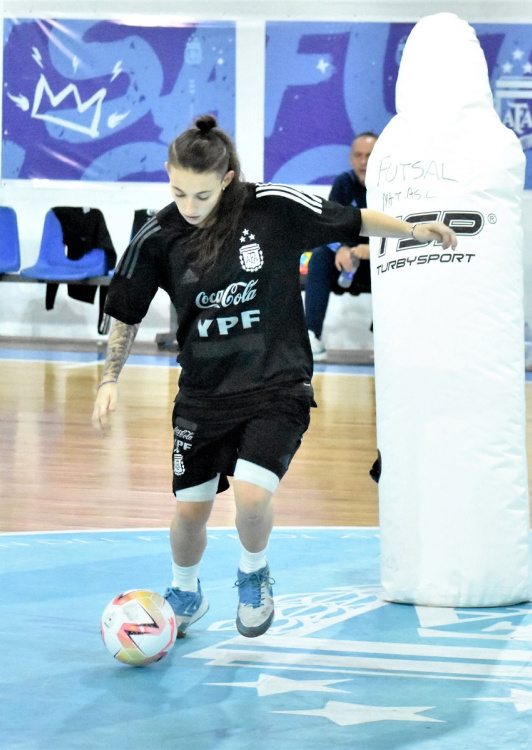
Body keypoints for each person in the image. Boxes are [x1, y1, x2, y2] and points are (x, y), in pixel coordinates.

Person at [90, 115, 456, 638]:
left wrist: (414, 230)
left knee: (253, 495)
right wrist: (109, 380)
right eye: (178, 192)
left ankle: (253, 574)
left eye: (201, 194)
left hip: (276, 385)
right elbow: (126, 311)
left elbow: (353, 221)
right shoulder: (159, 234)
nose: (189, 207)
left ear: (227, 179)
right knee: (191, 511)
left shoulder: (274, 208)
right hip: (203, 395)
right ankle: (186, 593)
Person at [304, 132, 377, 361]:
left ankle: (385, 340)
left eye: (370, 156)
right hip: (348, 262)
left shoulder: (393, 186)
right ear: (351, 158)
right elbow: (327, 226)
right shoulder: (344, 183)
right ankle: (311, 335)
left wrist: (373, 252)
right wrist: (342, 249)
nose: (364, 162)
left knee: (398, 268)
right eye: (359, 155)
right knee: (320, 255)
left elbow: (402, 233)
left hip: (379, 262)